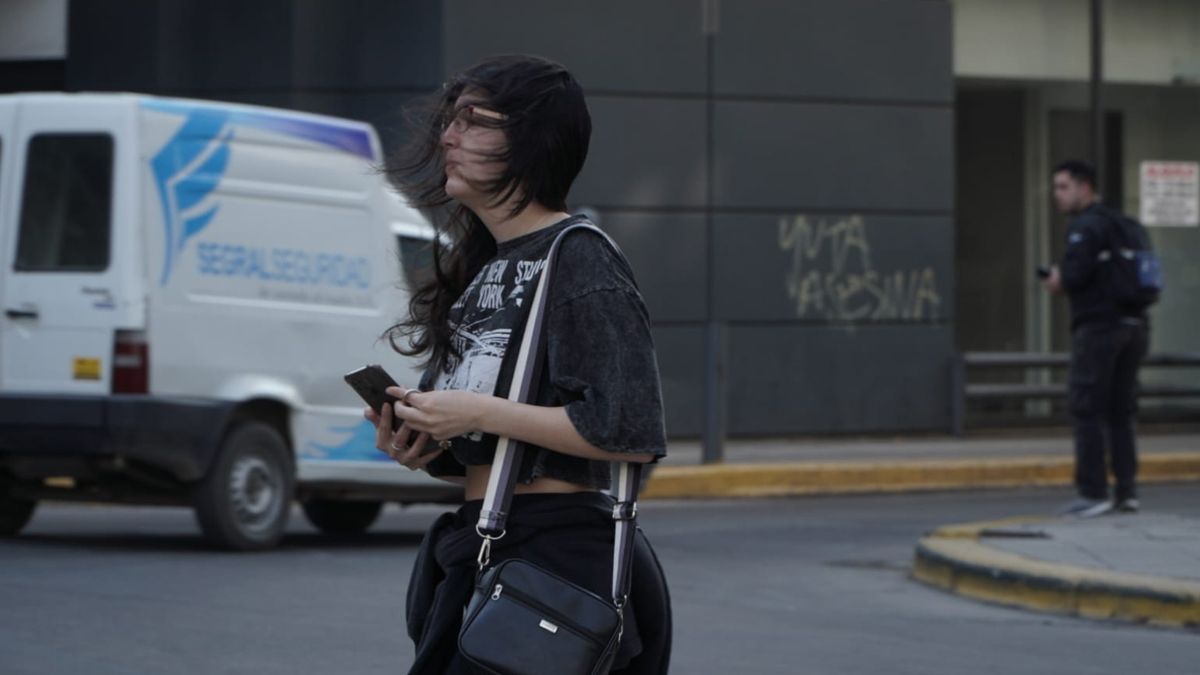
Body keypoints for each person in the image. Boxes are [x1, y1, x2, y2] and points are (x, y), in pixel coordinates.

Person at [365, 54, 671, 674]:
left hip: (553, 558)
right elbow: (500, 442)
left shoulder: (579, 258)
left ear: (532, 140)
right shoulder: (486, 265)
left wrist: (477, 411)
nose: (449, 136)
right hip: (487, 541)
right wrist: (428, 444)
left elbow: (627, 430)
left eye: (474, 121)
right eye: (452, 120)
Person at [1042, 160, 1149, 517]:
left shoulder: (1084, 227)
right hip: (1135, 327)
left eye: (1062, 187)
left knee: (1087, 407)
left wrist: (1056, 280)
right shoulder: (1127, 224)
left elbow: (1072, 278)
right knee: (1121, 411)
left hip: (1099, 327)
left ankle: (1092, 492)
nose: (1056, 195)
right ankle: (1127, 491)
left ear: (1084, 187)